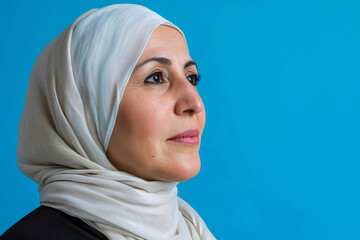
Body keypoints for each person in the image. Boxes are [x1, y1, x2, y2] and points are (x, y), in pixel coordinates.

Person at [0, 4, 215, 240]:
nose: (195, 103)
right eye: (155, 77)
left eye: (191, 78)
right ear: (84, 109)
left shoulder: (190, 229)